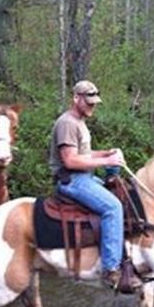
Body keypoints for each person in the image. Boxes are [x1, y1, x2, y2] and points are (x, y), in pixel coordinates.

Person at [49, 80, 142, 290]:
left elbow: (85, 154)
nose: (93, 105)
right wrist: (107, 162)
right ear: (76, 99)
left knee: (122, 194)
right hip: (71, 179)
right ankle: (111, 271)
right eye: (89, 101)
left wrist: (107, 153)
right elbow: (70, 161)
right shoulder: (67, 123)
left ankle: (125, 254)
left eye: (94, 102)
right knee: (113, 207)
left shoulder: (79, 122)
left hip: (84, 177)